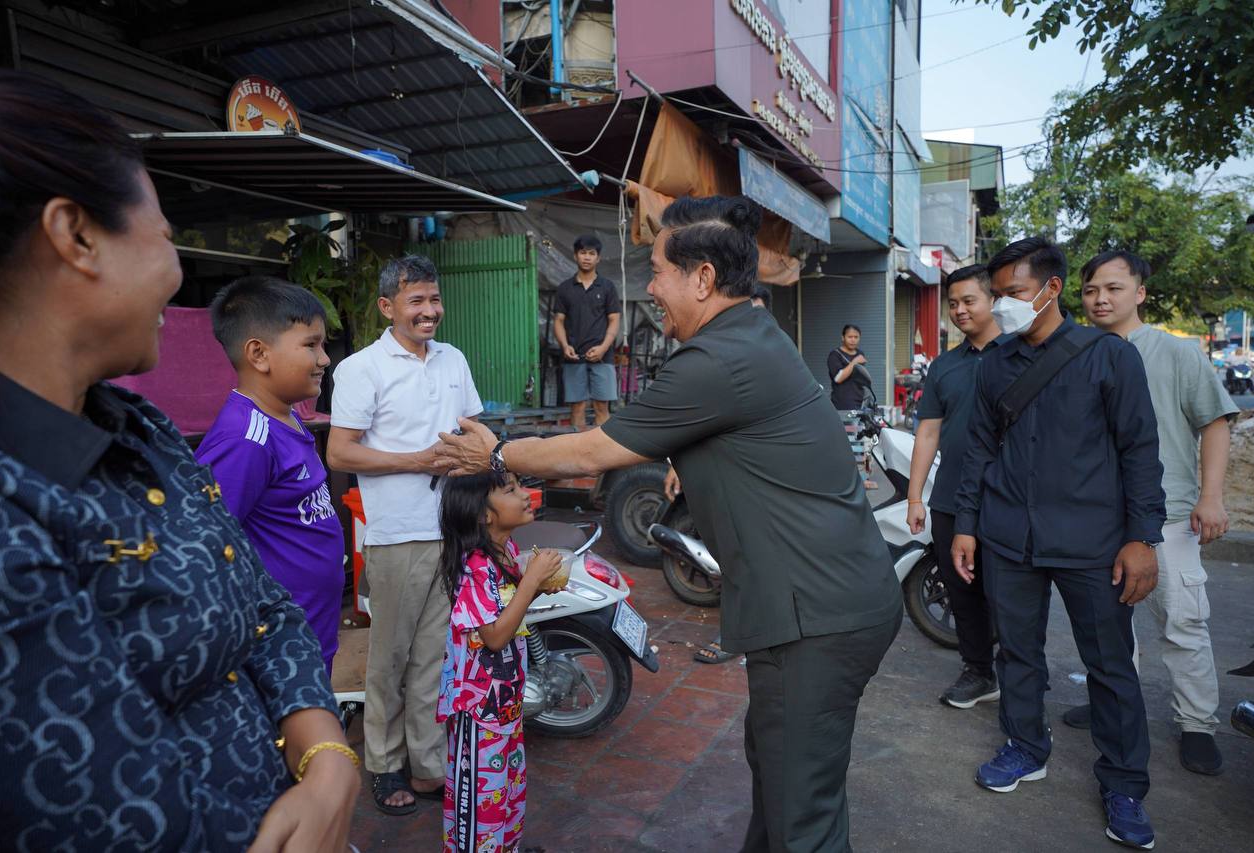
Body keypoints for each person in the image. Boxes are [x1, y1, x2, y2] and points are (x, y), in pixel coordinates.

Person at [439, 196, 903, 852]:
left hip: (816, 614)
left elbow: (592, 451)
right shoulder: (750, 334)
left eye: (657, 271)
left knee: (804, 812)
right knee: (778, 772)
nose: (650, 287)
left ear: (703, 278)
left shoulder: (718, 358)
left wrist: (496, 454)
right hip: (822, 601)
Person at [0, 69, 358, 851]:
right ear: (75, 235)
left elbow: (261, 602)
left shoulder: (141, 428)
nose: (179, 272)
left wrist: (326, 758)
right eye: (162, 235)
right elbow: (116, 811)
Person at [951, 237, 1165, 850]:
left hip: (1092, 542)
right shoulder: (995, 363)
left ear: (1051, 289)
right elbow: (979, 450)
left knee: (1110, 666)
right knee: (1017, 653)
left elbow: (1139, 451)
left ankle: (1123, 784)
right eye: (997, 295)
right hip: (1008, 538)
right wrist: (966, 523)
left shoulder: (1109, 356)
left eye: (1013, 293)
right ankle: (1025, 747)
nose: (1002, 305)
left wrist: (1142, 538)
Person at [327, 255, 483, 815]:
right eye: (416, 301)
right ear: (387, 307)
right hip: (397, 535)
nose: (429, 311)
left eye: (434, 299)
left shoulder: (452, 358)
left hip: (451, 529)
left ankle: (427, 765)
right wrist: (418, 460)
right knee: (389, 661)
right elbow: (339, 452)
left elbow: (474, 429)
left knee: (433, 658)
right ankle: (383, 764)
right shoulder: (361, 369)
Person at [1077, 249, 1238, 775]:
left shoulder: (1176, 352)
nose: (1101, 299)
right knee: (1107, 627)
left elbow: (1214, 423)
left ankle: (1197, 723)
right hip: (1096, 517)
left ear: (1140, 293)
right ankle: (1112, 704)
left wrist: (1210, 497)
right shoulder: (1077, 353)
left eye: (1114, 288)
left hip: (1167, 514)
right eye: (1091, 290)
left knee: (1182, 622)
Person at [196, 277, 345, 673]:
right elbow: (204, 545)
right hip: (277, 653)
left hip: (310, 637)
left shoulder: (286, 418)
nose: (324, 359)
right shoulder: (246, 440)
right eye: (311, 345)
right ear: (259, 354)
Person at [436, 472, 563, 852]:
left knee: (507, 795)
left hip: (505, 705)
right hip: (479, 713)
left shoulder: (505, 551)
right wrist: (531, 582)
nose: (525, 495)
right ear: (483, 515)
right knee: (479, 809)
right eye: (511, 490)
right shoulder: (475, 566)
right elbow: (493, 637)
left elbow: (506, 615)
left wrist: (537, 587)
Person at [906, 264, 1003, 708]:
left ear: (993, 300)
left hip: (1007, 499)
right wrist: (915, 496)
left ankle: (1021, 676)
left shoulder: (1020, 355)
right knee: (961, 590)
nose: (960, 310)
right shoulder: (945, 366)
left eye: (969, 301)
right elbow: (928, 432)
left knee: (1010, 594)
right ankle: (979, 671)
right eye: (953, 303)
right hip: (950, 498)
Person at [670, 282, 772, 666]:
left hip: (762, 481)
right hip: (728, 481)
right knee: (734, 560)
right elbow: (692, 418)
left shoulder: (774, 359)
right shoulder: (717, 359)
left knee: (755, 561)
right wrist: (676, 464)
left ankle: (748, 633)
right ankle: (737, 633)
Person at [554, 234, 622, 430]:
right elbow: (558, 321)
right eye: (583, 252)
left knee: (602, 407)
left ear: (598, 258)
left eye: (592, 254)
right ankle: (578, 449)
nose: (587, 257)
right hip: (574, 356)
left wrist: (603, 348)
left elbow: (614, 320)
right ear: (575, 255)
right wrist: (564, 346)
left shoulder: (607, 287)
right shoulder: (565, 288)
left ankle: (604, 450)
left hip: (602, 357)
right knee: (577, 408)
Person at [827, 324, 867, 411]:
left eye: (856, 337)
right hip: (842, 402)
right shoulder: (835, 355)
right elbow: (838, 378)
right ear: (843, 338)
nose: (853, 340)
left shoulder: (860, 354)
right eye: (850, 337)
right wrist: (854, 362)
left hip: (860, 401)